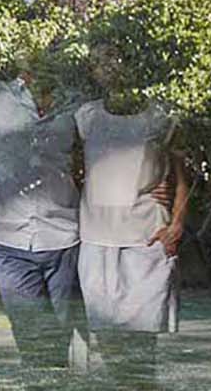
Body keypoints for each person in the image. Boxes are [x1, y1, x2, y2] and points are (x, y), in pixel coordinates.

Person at [0, 70, 175, 373]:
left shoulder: (75, 104)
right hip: (9, 238)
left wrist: (161, 177)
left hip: (64, 239)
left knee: (66, 342)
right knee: (34, 345)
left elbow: (118, 138)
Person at [74, 86, 188, 389]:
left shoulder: (160, 117)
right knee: (108, 344)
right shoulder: (86, 117)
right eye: (100, 61)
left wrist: (177, 224)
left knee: (141, 350)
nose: (109, 68)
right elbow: (71, 169)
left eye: (115, 57)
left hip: (146, 240)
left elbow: (183, 177)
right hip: (97, 239)